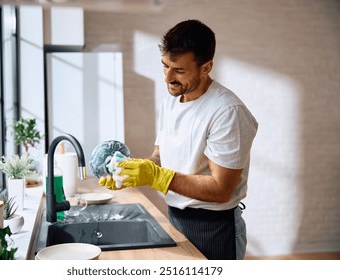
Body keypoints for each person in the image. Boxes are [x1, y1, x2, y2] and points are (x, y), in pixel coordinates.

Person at [99, 19, 258, 260]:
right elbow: (159, 157)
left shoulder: (227, 111)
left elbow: (221, 189)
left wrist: (155, 176)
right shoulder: (171, 102)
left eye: (179, 70)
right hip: (175, 217)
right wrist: (130, 170)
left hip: (215, 228)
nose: (167, 77)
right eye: (165, 66)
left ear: (206, 67)